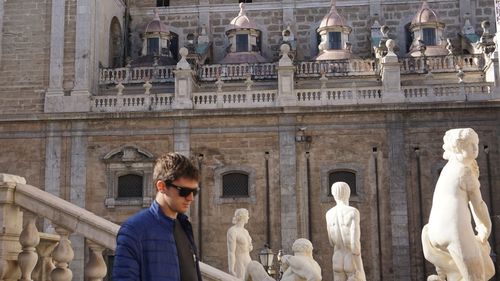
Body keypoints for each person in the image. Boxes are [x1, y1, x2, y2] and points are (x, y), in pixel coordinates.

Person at [113, 152, 202, 281]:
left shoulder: (184, 226)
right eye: (184, 191)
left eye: (194, 192)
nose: (190, 198)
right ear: (161, 186)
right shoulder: (134, 230)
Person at [422, 128, 495, 281]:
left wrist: (479, 229)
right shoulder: (464, 171)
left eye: (476, 144)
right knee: (475, 277)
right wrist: (485, 228)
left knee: (464, 273)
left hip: (433, 231)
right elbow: (478, 205)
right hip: (454, 230)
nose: (475, 149)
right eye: (470, 145)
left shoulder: (448, 169)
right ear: (458, 147)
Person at [325, 182, 366, 281]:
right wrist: (358, 263)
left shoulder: (329, 213)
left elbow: (331, 241)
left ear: (334, 194)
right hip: (350, 254)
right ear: (348, 193)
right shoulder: (352, 211)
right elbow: (354, 240)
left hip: (337, 255)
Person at [227, 208, 253, 279]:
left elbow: (249, 247)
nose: (248, 217)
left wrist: (250, 247)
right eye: (247, 215)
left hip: (248, 260)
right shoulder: (233, 231)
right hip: (239, 261)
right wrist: (231, 269)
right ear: (242, 217)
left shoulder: (246, 231)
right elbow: (231, 252)